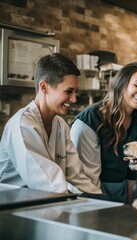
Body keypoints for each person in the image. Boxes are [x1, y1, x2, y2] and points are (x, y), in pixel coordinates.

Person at [0, 53, 101, 194]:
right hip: (12, 206)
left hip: (45, 203)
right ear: (44, 87)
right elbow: (48, 184)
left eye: (76, 92)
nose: (74, 99)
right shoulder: (22, 125)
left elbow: (77, 177)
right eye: (68, 91)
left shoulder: (61, 125)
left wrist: (100, 199)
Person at [70, 62, 137, 203]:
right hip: (89, 196)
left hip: (120, 194)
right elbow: (85, 178)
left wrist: (128, 203)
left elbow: (131, 172)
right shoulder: (91, 120)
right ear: (121, 85)